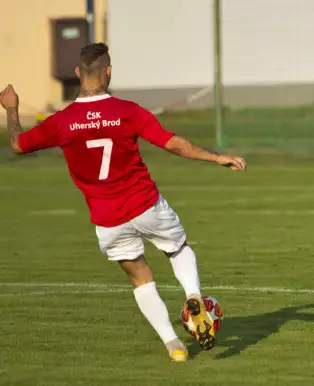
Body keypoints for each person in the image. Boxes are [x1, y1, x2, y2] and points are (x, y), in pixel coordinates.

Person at [0, 43, 247, 361]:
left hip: (107, 218)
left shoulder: (63, 121)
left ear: (78, 74)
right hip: (145, 204)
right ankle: (193, 296)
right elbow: (172, 143)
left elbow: (19, 144)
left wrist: (11, 108)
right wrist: (217, 157)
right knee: (178, 249)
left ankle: (174, 346)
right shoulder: (127, 111)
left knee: (140, 277)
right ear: (109, 72)